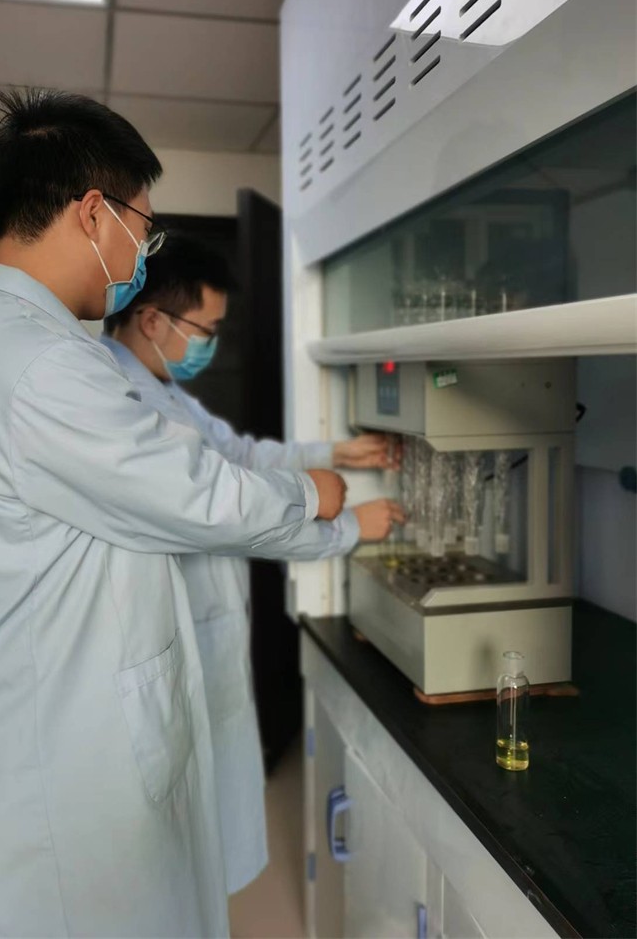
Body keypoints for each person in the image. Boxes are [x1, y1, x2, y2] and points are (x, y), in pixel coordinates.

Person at [0, 88, 356, 939]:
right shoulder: (41, 367)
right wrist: (315, 496)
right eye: (140, 228)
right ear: (92, 214)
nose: (140, 255)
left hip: (38, 744)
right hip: (57, 774)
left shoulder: (5, 341)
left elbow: (201, 465)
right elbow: (198, 490)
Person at [102, 233, 404, 895]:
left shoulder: (165, 393)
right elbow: (234, 513)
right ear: (151, 319)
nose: (211, 344)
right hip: (168, 644)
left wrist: (335, 453)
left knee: (204, 830)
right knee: (170, 850)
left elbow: (238, 457)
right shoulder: (120, 404)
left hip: (205, 634)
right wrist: (350, 525)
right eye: (205, 330)